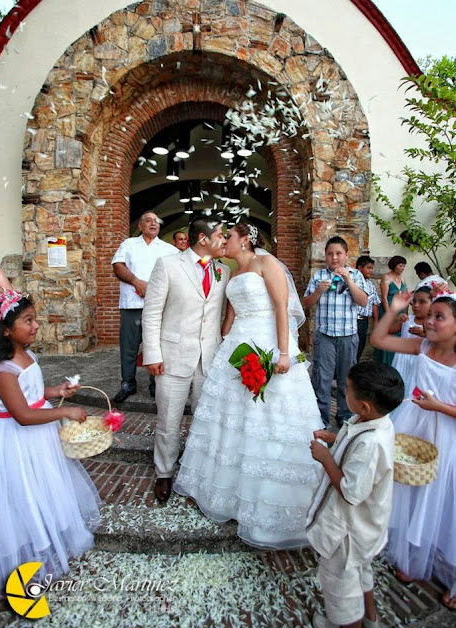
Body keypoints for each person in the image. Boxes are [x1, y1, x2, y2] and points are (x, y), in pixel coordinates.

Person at [174, 221, 324, 549]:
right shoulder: (230, 272)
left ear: (244, 241)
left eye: (228, 236)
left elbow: (282, 308)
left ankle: (270, 502)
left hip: (269, 342)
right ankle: (225, 494)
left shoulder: (266, 264)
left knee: (269, 417)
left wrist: (284, 352)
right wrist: (226, 334)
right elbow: (229, 313)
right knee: (231, 419)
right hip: (238, 347)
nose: (223, 241)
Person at [0, 290, 100, 599]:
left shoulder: (25, 354)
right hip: (16, 441)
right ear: (6, 329)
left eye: (35, 319)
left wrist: (57, 390)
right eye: (28, 320)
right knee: (24, 493)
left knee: (45, 488)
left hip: (39, 438)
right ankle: (29, 552)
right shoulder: (2, 370)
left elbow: (33, 393)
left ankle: (49, 537)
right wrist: (65, 411)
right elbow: (22, 414)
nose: (36, 325)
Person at [371, 291, 456, 610]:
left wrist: (439, 406)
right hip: (414, 428)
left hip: (448, 436)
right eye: (429, 315)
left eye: (439, 317)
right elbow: (379, 340)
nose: (430, 321)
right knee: (412, 492)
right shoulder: (422, 346)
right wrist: (394, 309)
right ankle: (413, 555)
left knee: (446, 502)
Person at [307, 361, 404, 628]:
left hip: (348, 533)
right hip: (365, 532)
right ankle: (371, 619)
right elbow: (354, 446)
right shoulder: (375, 422)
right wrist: (335, 439)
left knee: (343, 592)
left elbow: (351, 491)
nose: (344, 391)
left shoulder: (371, 445)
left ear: (364, 407)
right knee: (361, 572)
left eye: (347, 390)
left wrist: (326, 458)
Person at [142, 216, 230, 503]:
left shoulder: (223, 272)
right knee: (169, 419)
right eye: (220, 235)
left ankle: (197, 472)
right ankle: (164, 473)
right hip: (172, 357)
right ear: (203, 238)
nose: (224, 240)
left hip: (209, 359)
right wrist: (152, 354)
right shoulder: (168, 265)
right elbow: (152, 312)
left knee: (203, 421)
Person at [112, 211, 178, 403]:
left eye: (156, 221)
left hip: (158, 308)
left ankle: (155, 384)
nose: (153, 224)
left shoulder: (168, 250)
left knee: (156, 346)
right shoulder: (129, 244)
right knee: (129, 347)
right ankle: (128, 384)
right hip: (131, 305)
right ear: (140, 226)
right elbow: (118, 266)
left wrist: (155, 290)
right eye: (148, 221)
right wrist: (136, 282)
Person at [303, 236, 368, 430]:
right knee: (322, 378)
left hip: (348, 335)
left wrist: (348, 279)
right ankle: (321, 418)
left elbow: (364, 302)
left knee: (346, 379)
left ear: (346, 255)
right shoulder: (318, 276)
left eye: (338, 253)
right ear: (325, 256)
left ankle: (344, 415)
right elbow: (306, 303)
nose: (334, 258)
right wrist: (318, 292)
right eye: (330, 254)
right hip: (325, 336)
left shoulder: (356, 275)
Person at [391, 285, 432, 395]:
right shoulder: (407, 319)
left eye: (422, 302)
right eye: (414, 302)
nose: (416, 305)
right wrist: (397, 321)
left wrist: (425, 334)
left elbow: (442, 342)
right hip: (402, 362)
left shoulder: (432, 324)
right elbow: (389, 331)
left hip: (421, 363)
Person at [374, 256, 408, 366]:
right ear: (394, 266)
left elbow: (405, 296)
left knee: (399, 335)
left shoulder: (403, 279)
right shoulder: (386, 278)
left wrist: (405, 312)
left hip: (400, 310)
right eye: (400, 265)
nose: (402, 268)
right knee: (387, 334)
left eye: (404, 266)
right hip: (388, 309)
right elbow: (384, 297)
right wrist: (390, 315)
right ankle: (384, 363)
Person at [355, 256, 381, 361]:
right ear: (360, 268)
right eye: (368, 268)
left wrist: (376, 322)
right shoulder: (353, 283)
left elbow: (375, 303)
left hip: (364, 321)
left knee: (360, 346)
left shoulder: (370, 285)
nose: (371, 271)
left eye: (371, 268)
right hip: (352, 320)